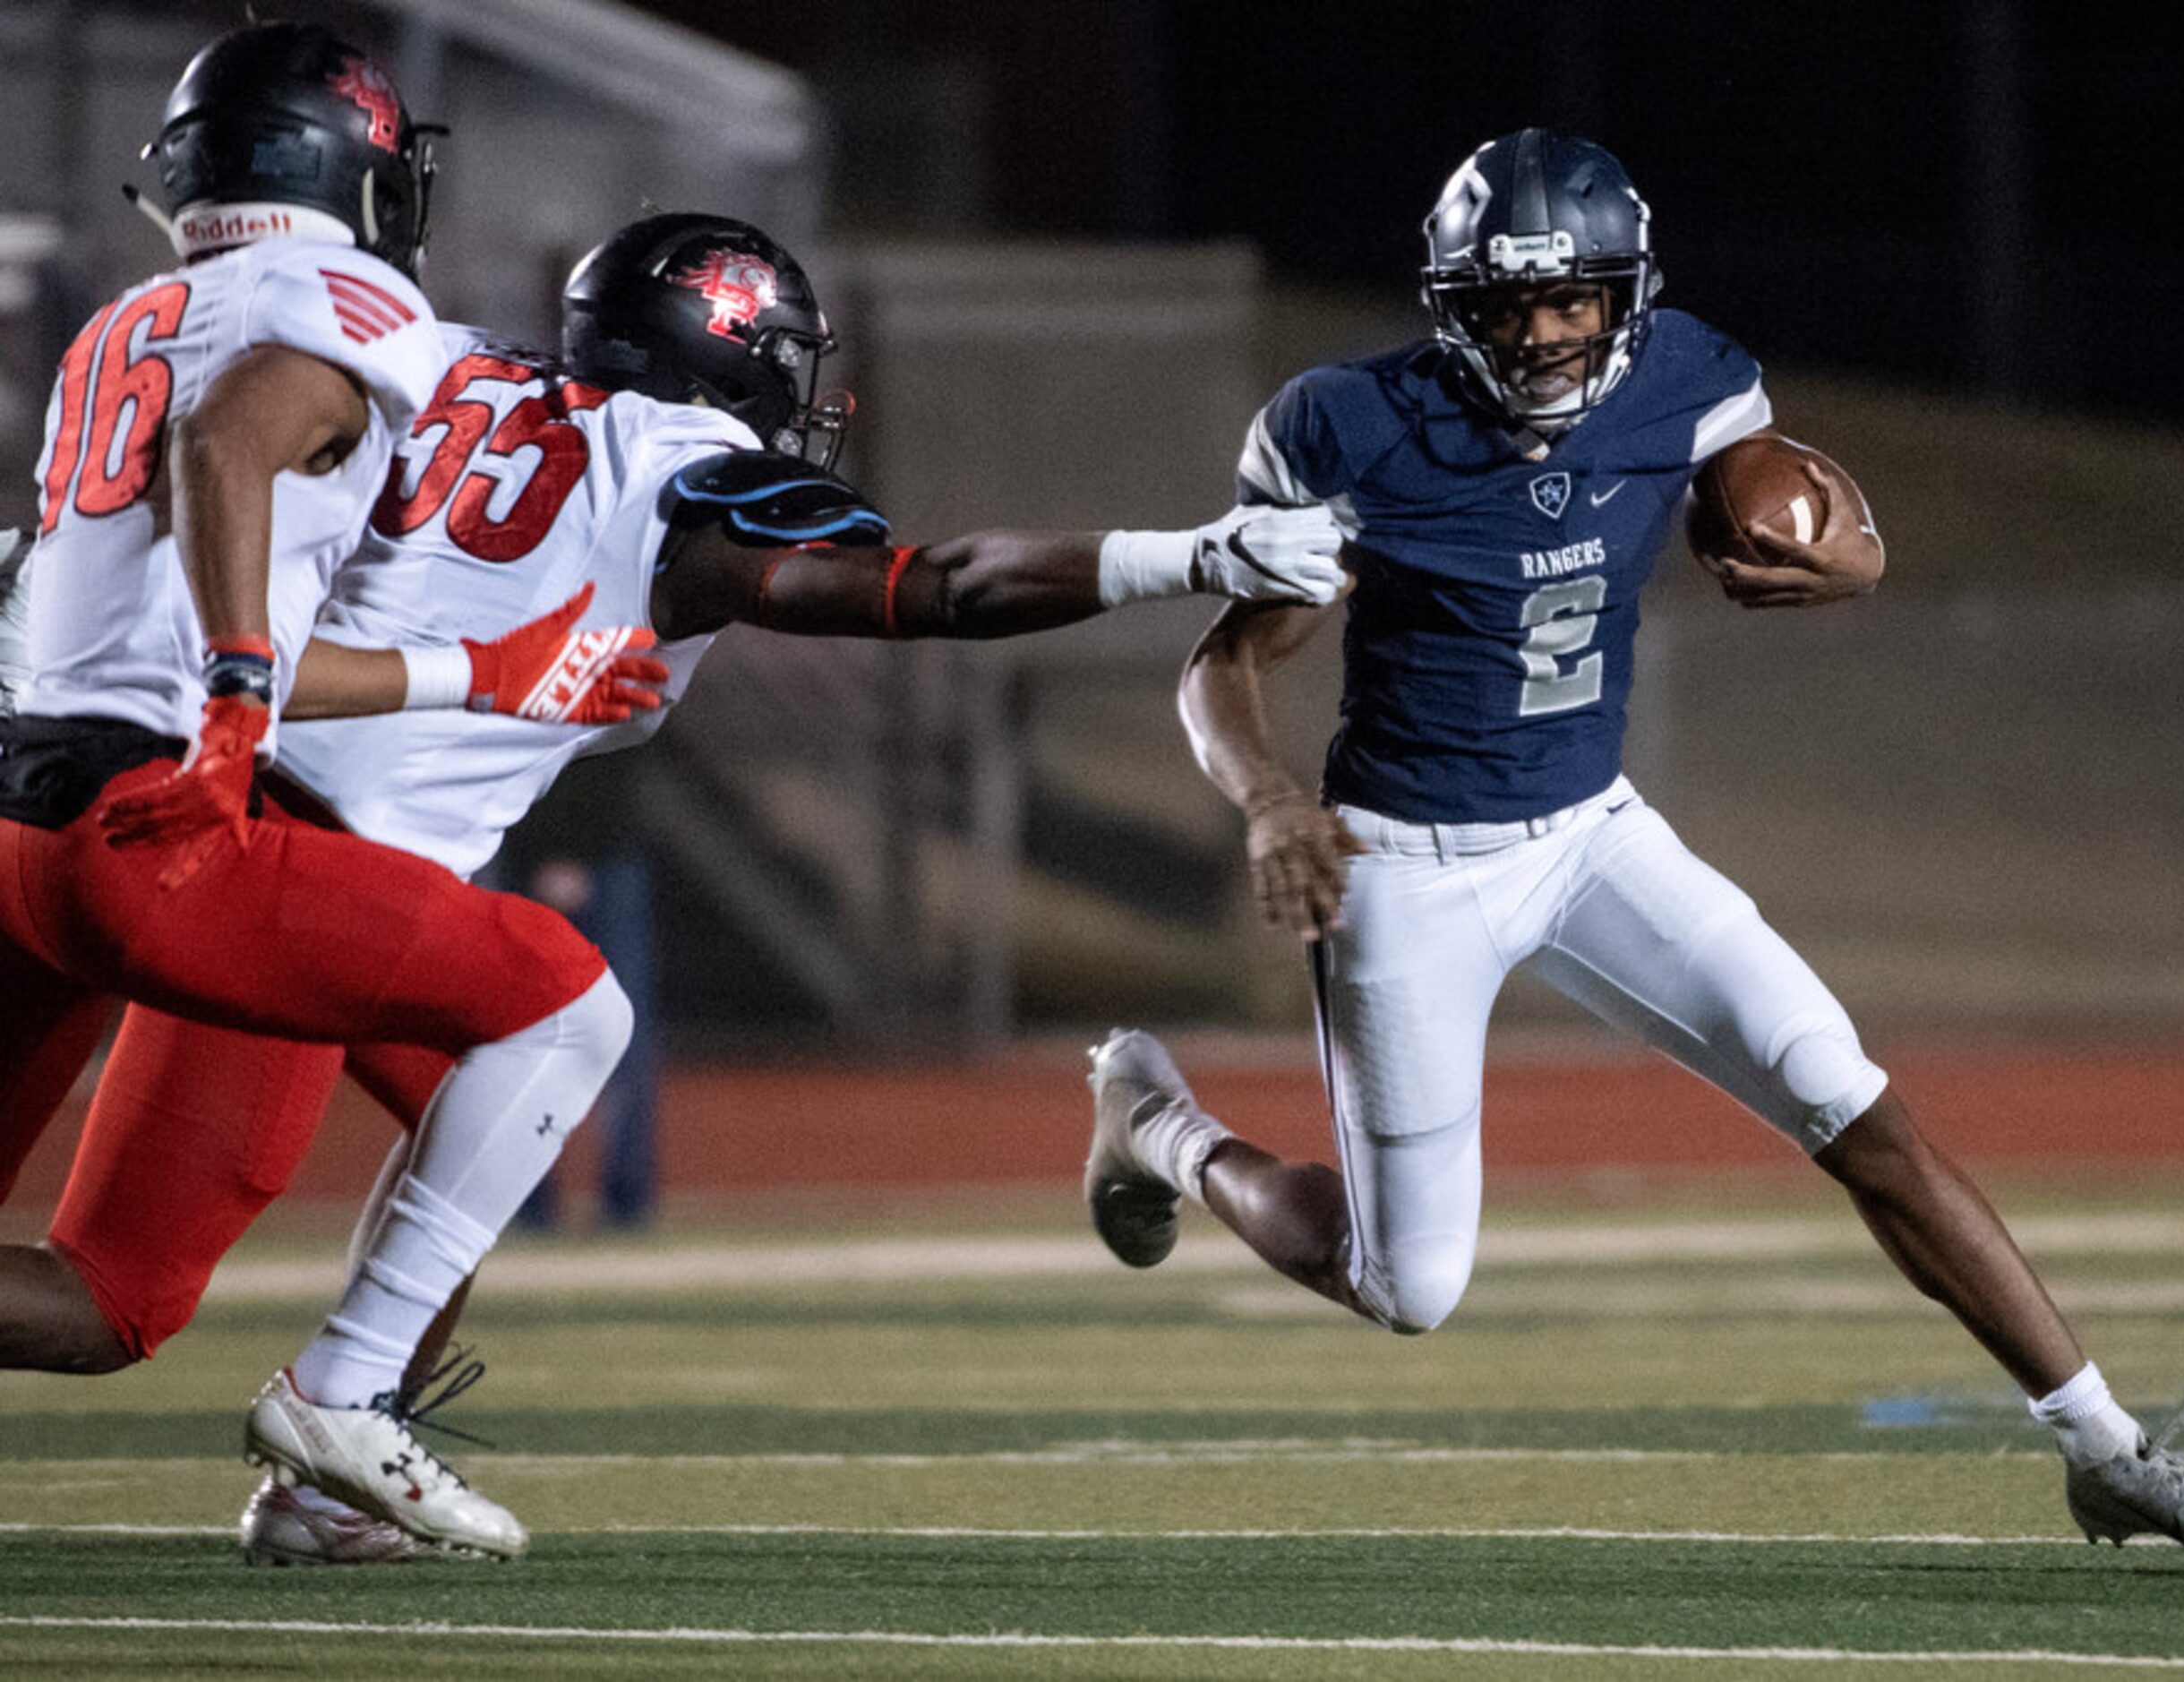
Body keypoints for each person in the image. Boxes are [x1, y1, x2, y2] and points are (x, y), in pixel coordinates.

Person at [3, 210, 1347, 1565]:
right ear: (740, 352)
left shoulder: (442, 364)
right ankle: (341, 1409)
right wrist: (1183, 556)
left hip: (161, 779)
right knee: (135, 1286)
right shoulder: (677, 468)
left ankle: (337, 1478)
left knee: (470, 1123)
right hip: (289, 869)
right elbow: (935, 585)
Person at [1082, 129, 2184, 1566]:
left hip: (1592, 837)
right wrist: (1272, 801)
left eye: (1572, 301)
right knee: (1406, 1285)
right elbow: (1217, 669)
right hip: (1402, 859)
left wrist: (1857, 555)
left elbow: (1807, 516)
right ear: (1446, 302)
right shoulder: (1353, 425)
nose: (1540, 335)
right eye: (1506, 304)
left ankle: (2110, 1453)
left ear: (1626, 295)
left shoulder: (1691, 377)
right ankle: (1154, 1121)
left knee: (1855, 1107)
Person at [0, 24, 729, 1562]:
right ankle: (339, 1428)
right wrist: (243, 691)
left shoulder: (123, 316)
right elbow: (231, 441)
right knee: (559, 1005)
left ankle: (341, 1464)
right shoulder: (348, 299)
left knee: (454, 1096)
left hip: (24, 807)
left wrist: (471, 673)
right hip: (168, 821)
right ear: (358, 176)